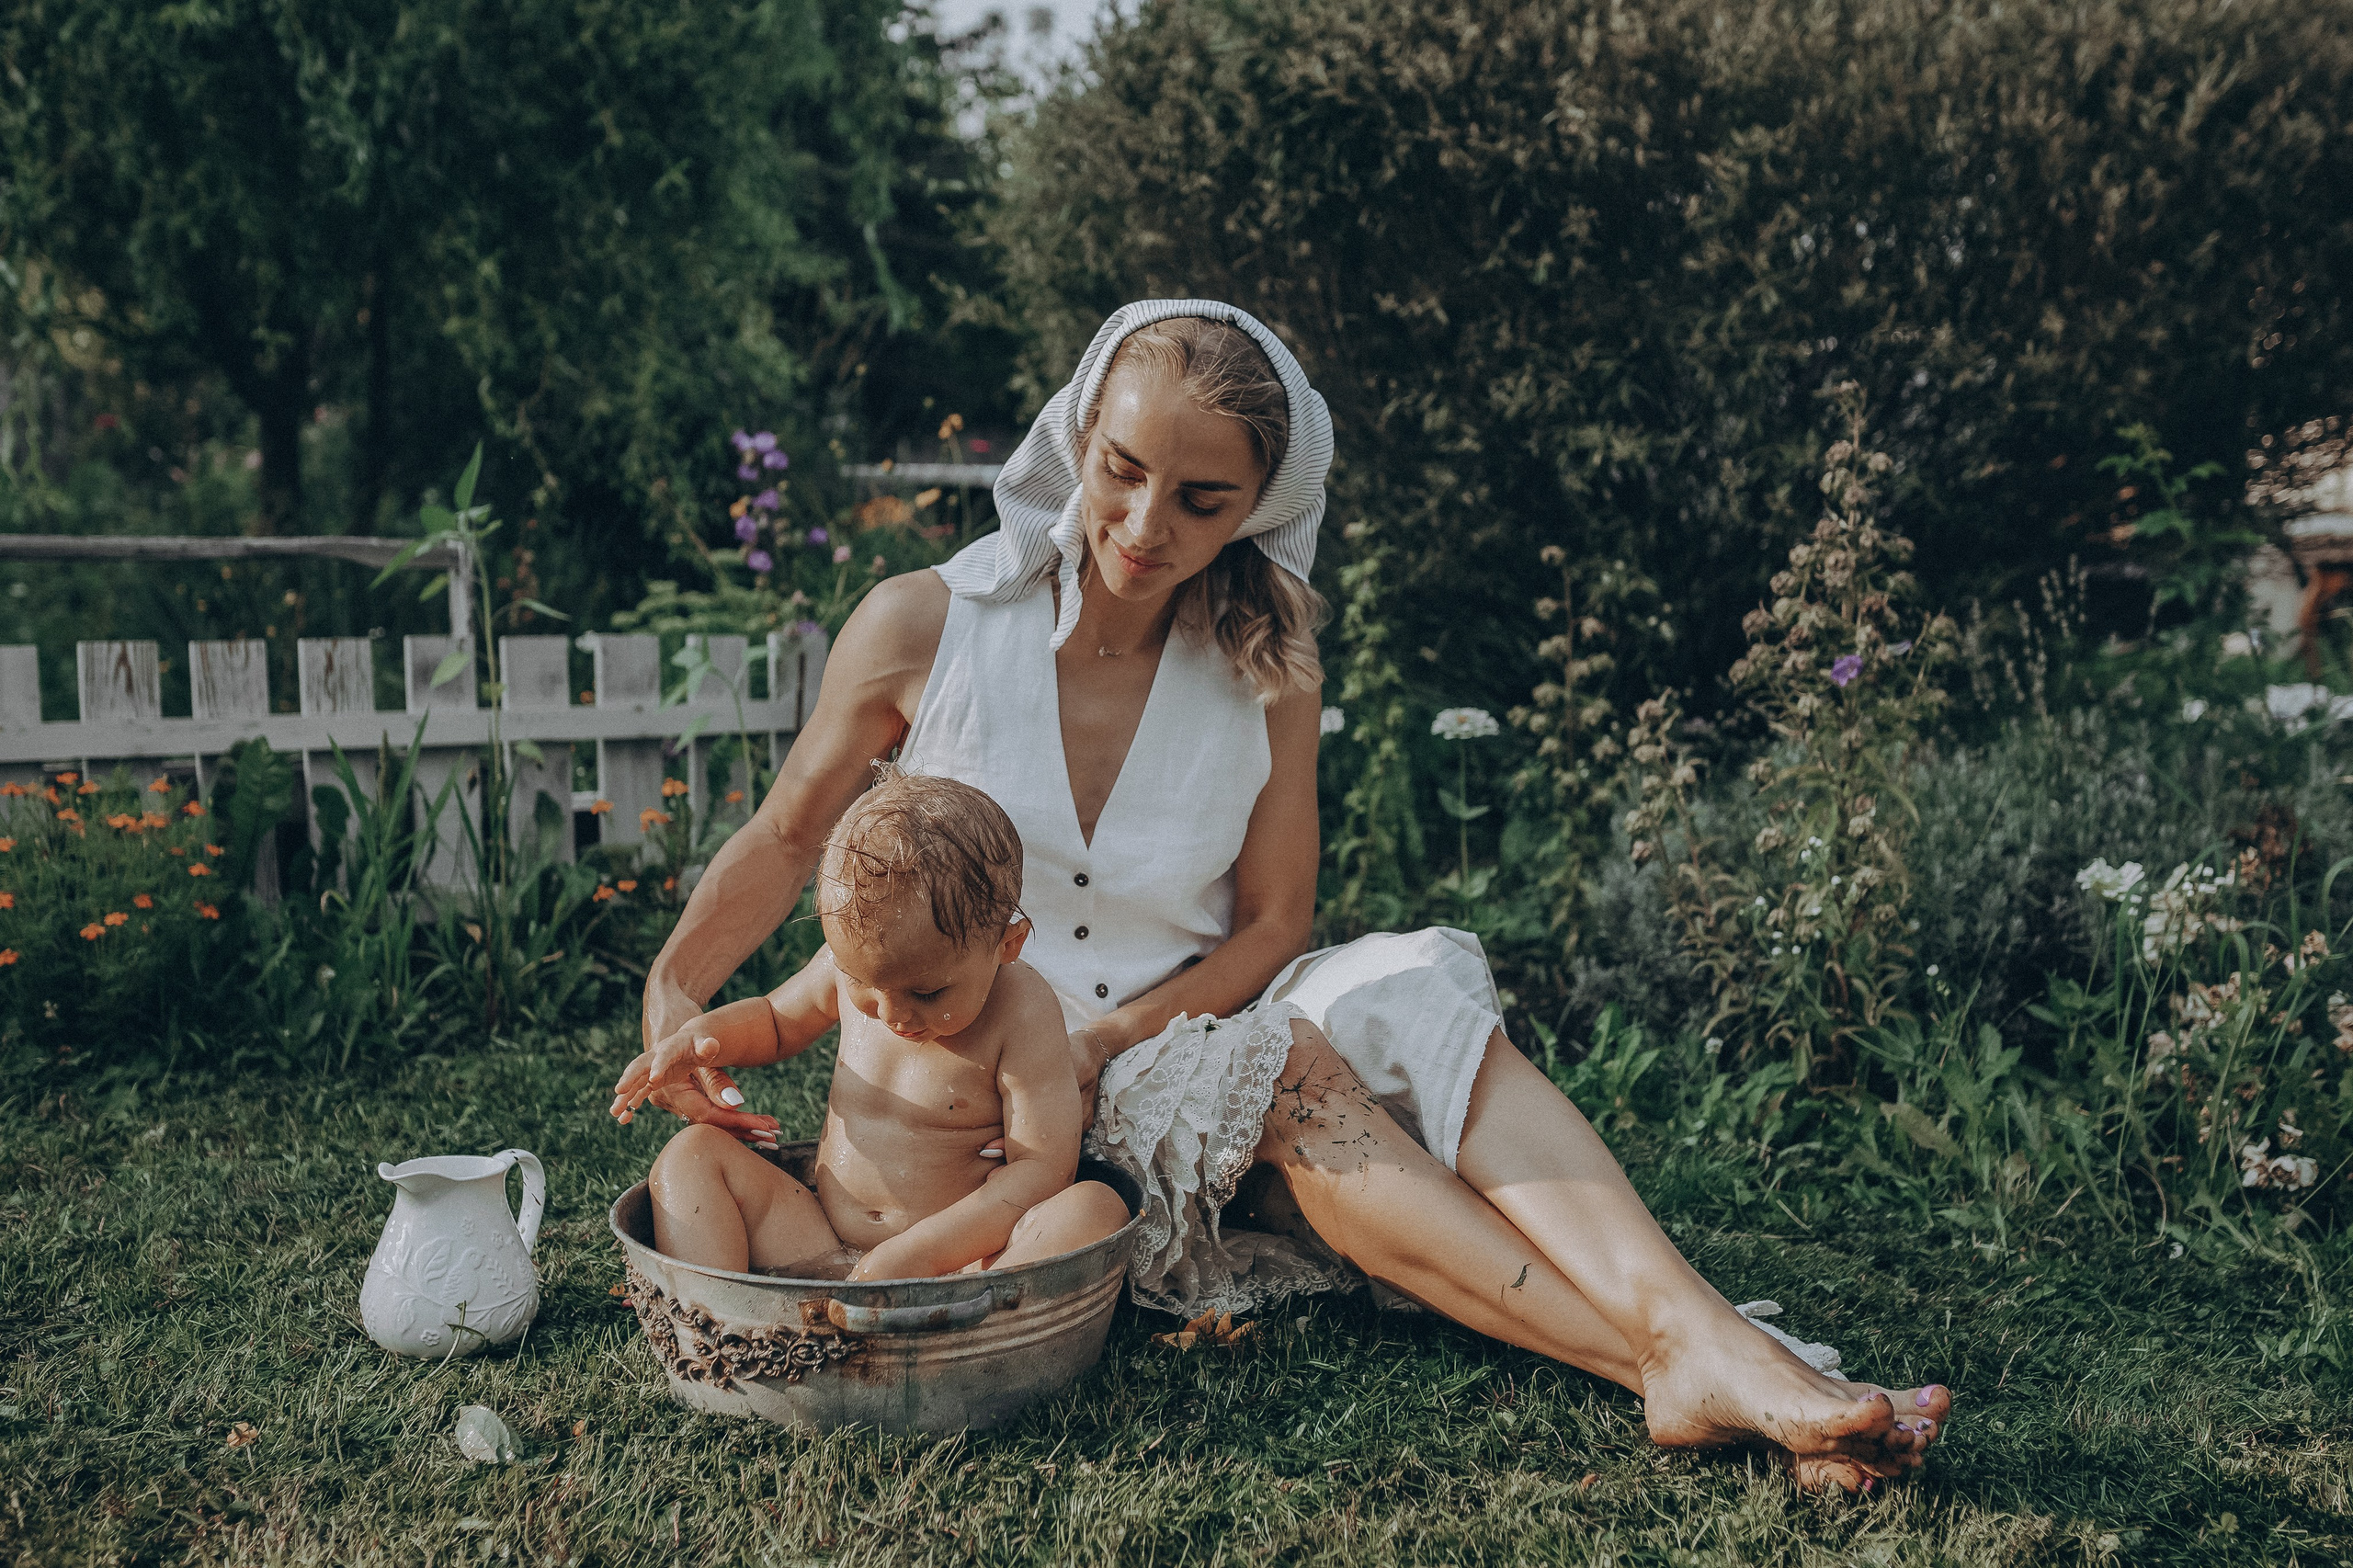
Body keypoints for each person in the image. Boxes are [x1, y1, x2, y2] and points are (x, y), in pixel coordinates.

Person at [633, 299, 1950, 1489]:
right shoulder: (925, 623)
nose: (1149, 528)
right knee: (1292, 1072)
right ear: (1079, 435)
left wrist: (1098, 1041)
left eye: (1203, 500)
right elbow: (788, 826)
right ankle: (1679, 1357)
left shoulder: (1271, 662)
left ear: (1262, 503)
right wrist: (675, 995)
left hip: (1174, 1031)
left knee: (1399, 996)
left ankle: (1694, 1335)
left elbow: (1273, 927)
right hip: (999, 1105)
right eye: (1124, 472)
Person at [610, 770, 1129, 1279]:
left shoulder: (1022, 1009)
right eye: (863, 983)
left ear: (1006, 945)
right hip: (825, 1246)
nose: (891, 1014)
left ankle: (959, 1339)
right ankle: (721, 1327)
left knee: (1092, 1209)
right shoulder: (850, 967)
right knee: (691, 1157)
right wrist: (700, 1042)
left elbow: (1042, 1170)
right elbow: (774, 1019)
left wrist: (918, 1257)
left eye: (926, 993)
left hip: (963, 1264)